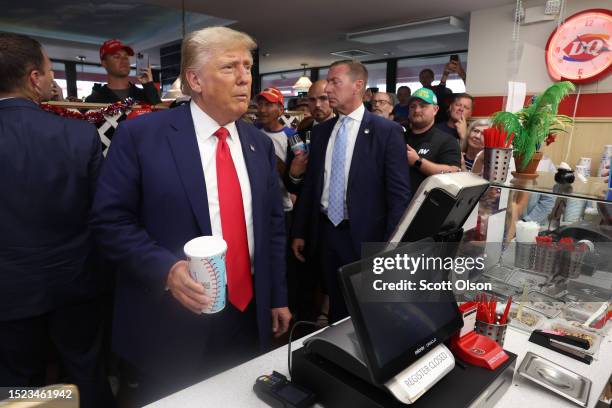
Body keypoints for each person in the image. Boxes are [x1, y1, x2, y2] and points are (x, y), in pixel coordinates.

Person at [90, 26, 291, 404]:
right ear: (195, 80)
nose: (245, 77)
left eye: (247, 66)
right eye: (230, 67)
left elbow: (271, 227)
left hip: (248, 314)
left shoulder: (258, 145)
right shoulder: (141, 136)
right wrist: (165, 269)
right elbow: (109, 221)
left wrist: (277, 295)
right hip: (170, 321)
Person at [0, 33, 114, 408]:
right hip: (76, 281)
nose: (53, 80)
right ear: (34, 78)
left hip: (9, 291)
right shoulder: (78, 133)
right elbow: (102, 213)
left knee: (20, 384)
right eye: (50, 72)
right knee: (87, 372)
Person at [291, 60, 411, 323]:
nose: (329, 87)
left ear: (358, 86)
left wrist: (391, 243)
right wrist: (300, 229)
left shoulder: (386, 132)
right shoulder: (321, 132)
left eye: (335, 82)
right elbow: (312, 185)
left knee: (365, 309)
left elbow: (399, 194)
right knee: (335, 301)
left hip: (366, 236)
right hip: (325, 232)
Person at [405, 88, 462, 193]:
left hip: (426, 206)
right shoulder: (399, 137)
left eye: (423, 106)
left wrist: (418, 162)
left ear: (435, 109)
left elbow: (454, 173)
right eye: (413, 106)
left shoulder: (447, 140)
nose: (417, 110)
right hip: (397, 204)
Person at [85, 39, 161, 104]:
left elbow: (160, 117)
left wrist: (148, 85)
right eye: (117, 57)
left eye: (126, 57)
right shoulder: (93, 100)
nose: (124, 60)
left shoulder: (145, 95)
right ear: (104, 63)